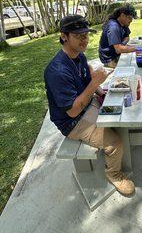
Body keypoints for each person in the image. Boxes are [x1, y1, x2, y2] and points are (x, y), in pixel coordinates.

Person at [44, 14, 135, 196]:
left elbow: (88, 80)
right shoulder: (57, 71)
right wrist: (95, 84)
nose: (84, 39)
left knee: (125, 112)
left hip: (89, 106)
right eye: (78, 36)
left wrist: (101, 91)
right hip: (73, 122)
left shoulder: (78, 56)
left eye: (85, 35)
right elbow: (72, 111)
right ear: (64, 36)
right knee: (116, 143)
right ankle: (113, 174)